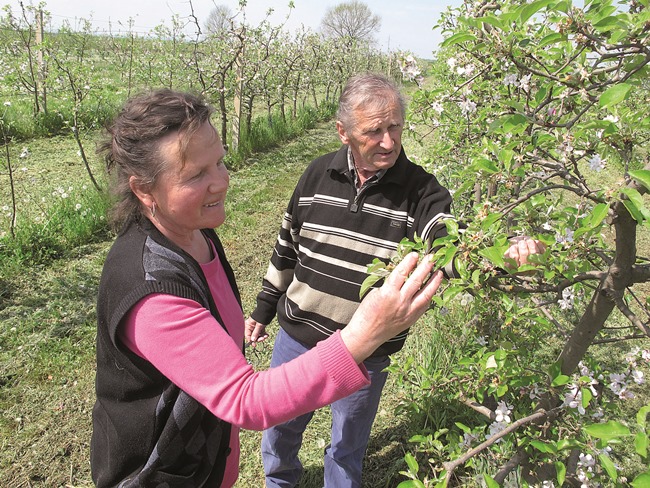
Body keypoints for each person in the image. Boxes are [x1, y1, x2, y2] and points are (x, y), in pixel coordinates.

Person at [90, 88, 445, 488]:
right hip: (161, 475)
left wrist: (493, 254)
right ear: (143, 189)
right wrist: (366, 333)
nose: (221, 182)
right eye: (196, 175)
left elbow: (446, 232)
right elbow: (247, 400)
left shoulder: (195, 235)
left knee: (347, 442)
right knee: (282, 439)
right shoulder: (152, 290)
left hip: (200, 462)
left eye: (220, 163)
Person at [245, 73, 544, 488]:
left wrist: (496, 254)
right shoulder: (316, 175)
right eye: (374, 131)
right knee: (280, 430)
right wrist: (264, 306)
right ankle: (279, 483)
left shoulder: (422, 191)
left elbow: (447, 243)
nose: (388, 141)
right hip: (298, 340)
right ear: (343, 132)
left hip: (365, 352)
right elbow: (287, 245)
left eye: (395, 127)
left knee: (347, 446)